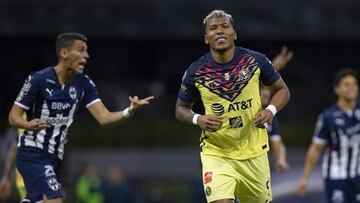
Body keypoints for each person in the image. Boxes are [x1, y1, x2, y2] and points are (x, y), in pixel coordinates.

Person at [8, 32, 154, 203]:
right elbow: (13, 116)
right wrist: (27, 124)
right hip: (32, 154)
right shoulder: (38, 80)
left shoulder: (84, 83)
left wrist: (129, 111)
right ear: (64, 53)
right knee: (54, 200)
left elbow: (104, 118)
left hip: (55, 157)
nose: (86, 55)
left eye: (86, 51)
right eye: (81, 50)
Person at [175, 10, 290, 203]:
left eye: (224, 26)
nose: (219, 31)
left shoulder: (255, 61)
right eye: (213, 28)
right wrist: (198, 118)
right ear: (206, 38)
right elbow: (180, 109)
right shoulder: (196, 71)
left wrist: (270, 111)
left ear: (234, 34)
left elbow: (283, 91)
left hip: (254, 153)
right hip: (217, 152)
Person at [298, 69, 360, 203]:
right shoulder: (328, 116)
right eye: (346, 84)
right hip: (335, 176)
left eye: (354, 84)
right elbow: (316, 148)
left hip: (358, 176)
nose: (352, 88)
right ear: (337, 89)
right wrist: (305, 178)